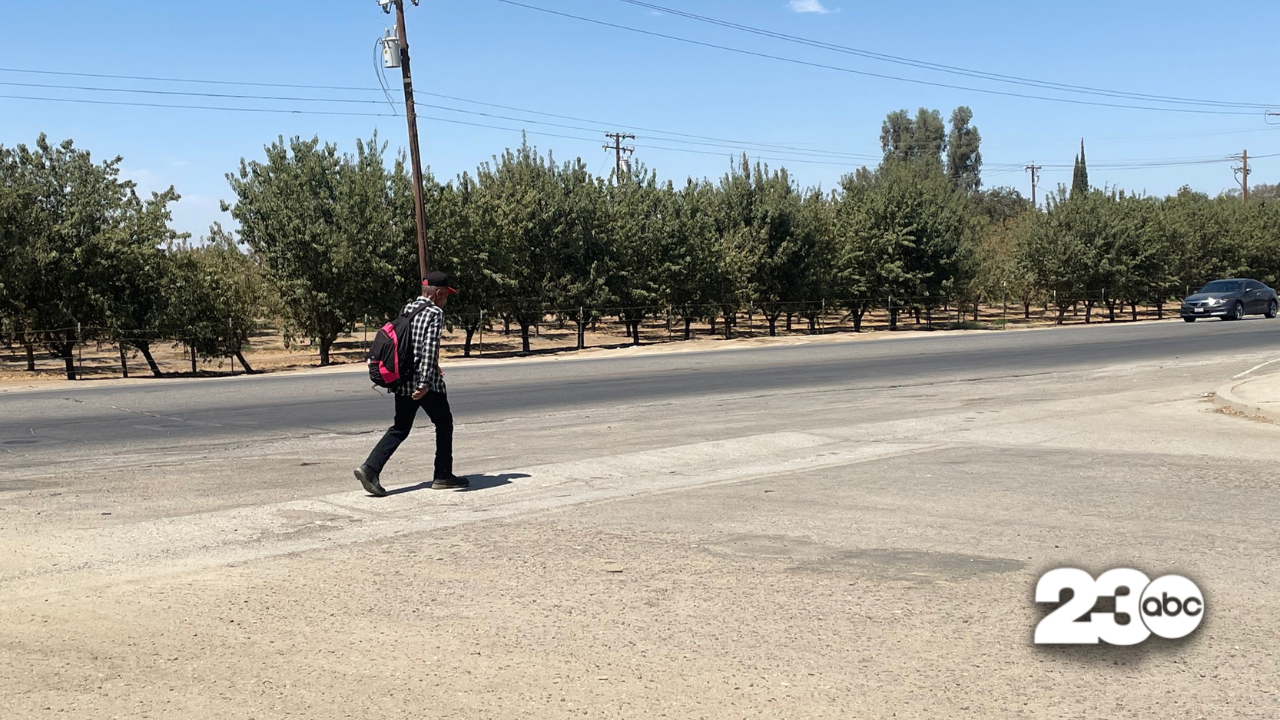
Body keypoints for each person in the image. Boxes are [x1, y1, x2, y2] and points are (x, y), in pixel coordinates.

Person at [354, 271, 468, 495]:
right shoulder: (435, 313)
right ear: (438, 294)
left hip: (402, 380)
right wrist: (425, 381)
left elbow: (407, 344)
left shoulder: (407, 309)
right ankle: (443, 474)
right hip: (424, 384)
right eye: (445, 295)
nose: (446, 300)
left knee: (399, 428)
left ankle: (370, 468)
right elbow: (428, 347)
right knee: (444, 423)